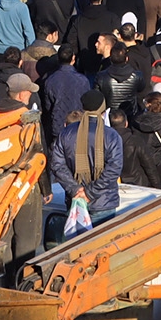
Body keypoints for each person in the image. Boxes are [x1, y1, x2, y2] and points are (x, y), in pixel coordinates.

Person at [52, 91, 124, 223]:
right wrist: (89, 193)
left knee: (76, 243)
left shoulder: (66, 133)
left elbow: (57, 165)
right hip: (103, 201)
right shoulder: (111, 135)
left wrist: (76, 189)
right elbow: (114, 169)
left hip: (75, 199)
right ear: (103, 109)